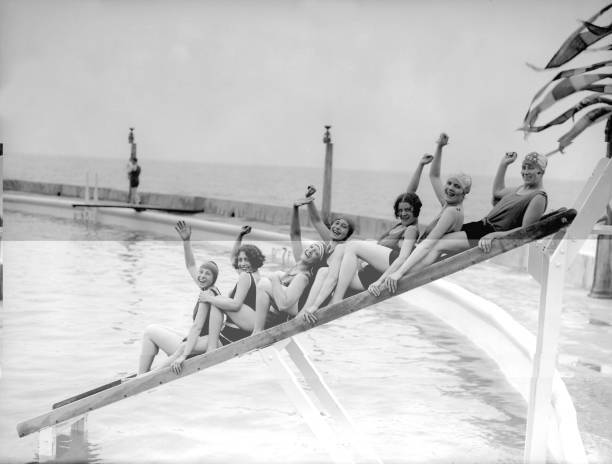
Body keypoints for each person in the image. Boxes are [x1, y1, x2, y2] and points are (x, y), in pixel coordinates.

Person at [389, 150, 549, 281]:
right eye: (524, 167)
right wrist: (503, 165)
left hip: (489, 232)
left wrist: (494, 235)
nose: (525, 172)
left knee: (438, 244)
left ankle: (404, 275)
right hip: (481, 226)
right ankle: (401, 268)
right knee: (436, 239)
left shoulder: (538, 197)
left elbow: (525, 232)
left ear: (541, 171)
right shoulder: (520, 189)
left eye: (530, 168)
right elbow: (498, 191)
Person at [138, 220, 220, 374]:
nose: (201, 276)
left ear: (213, 278)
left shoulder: (207, 294)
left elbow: (197, 327)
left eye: (207, 274)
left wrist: (183, 355)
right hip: (194, 342)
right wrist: (186, 241)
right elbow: (190, 265)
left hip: (193, 346)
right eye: (201, 272)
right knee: (156, 329)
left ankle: (141, 376)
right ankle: (143, 374)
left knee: (150, 331)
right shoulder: (210, 289)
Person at [251, 197, 328, 332]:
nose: (310, 250)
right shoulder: (298, 263)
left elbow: (284, 305)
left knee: (264, 282)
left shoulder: (304, 276)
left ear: (317, 261)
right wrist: (295, 209)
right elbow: (294, 234)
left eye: (315, 252)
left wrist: (274, 277)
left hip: (284, 312)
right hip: (273, 309)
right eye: (311, 247)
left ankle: (257, 331)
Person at [199, 235, 266, 352]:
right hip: (251, 322)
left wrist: (209, 299)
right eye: (240, 260)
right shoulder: (254, 276)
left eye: (246, 260)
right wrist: (240, 237)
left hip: (251, 322)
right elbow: (233, 258)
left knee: (218, 300)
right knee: (219, 300)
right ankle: (212, 343)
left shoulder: (246, 276)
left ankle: (211, 347)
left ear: (254, 260)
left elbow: (236, 305)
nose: (242, 263)